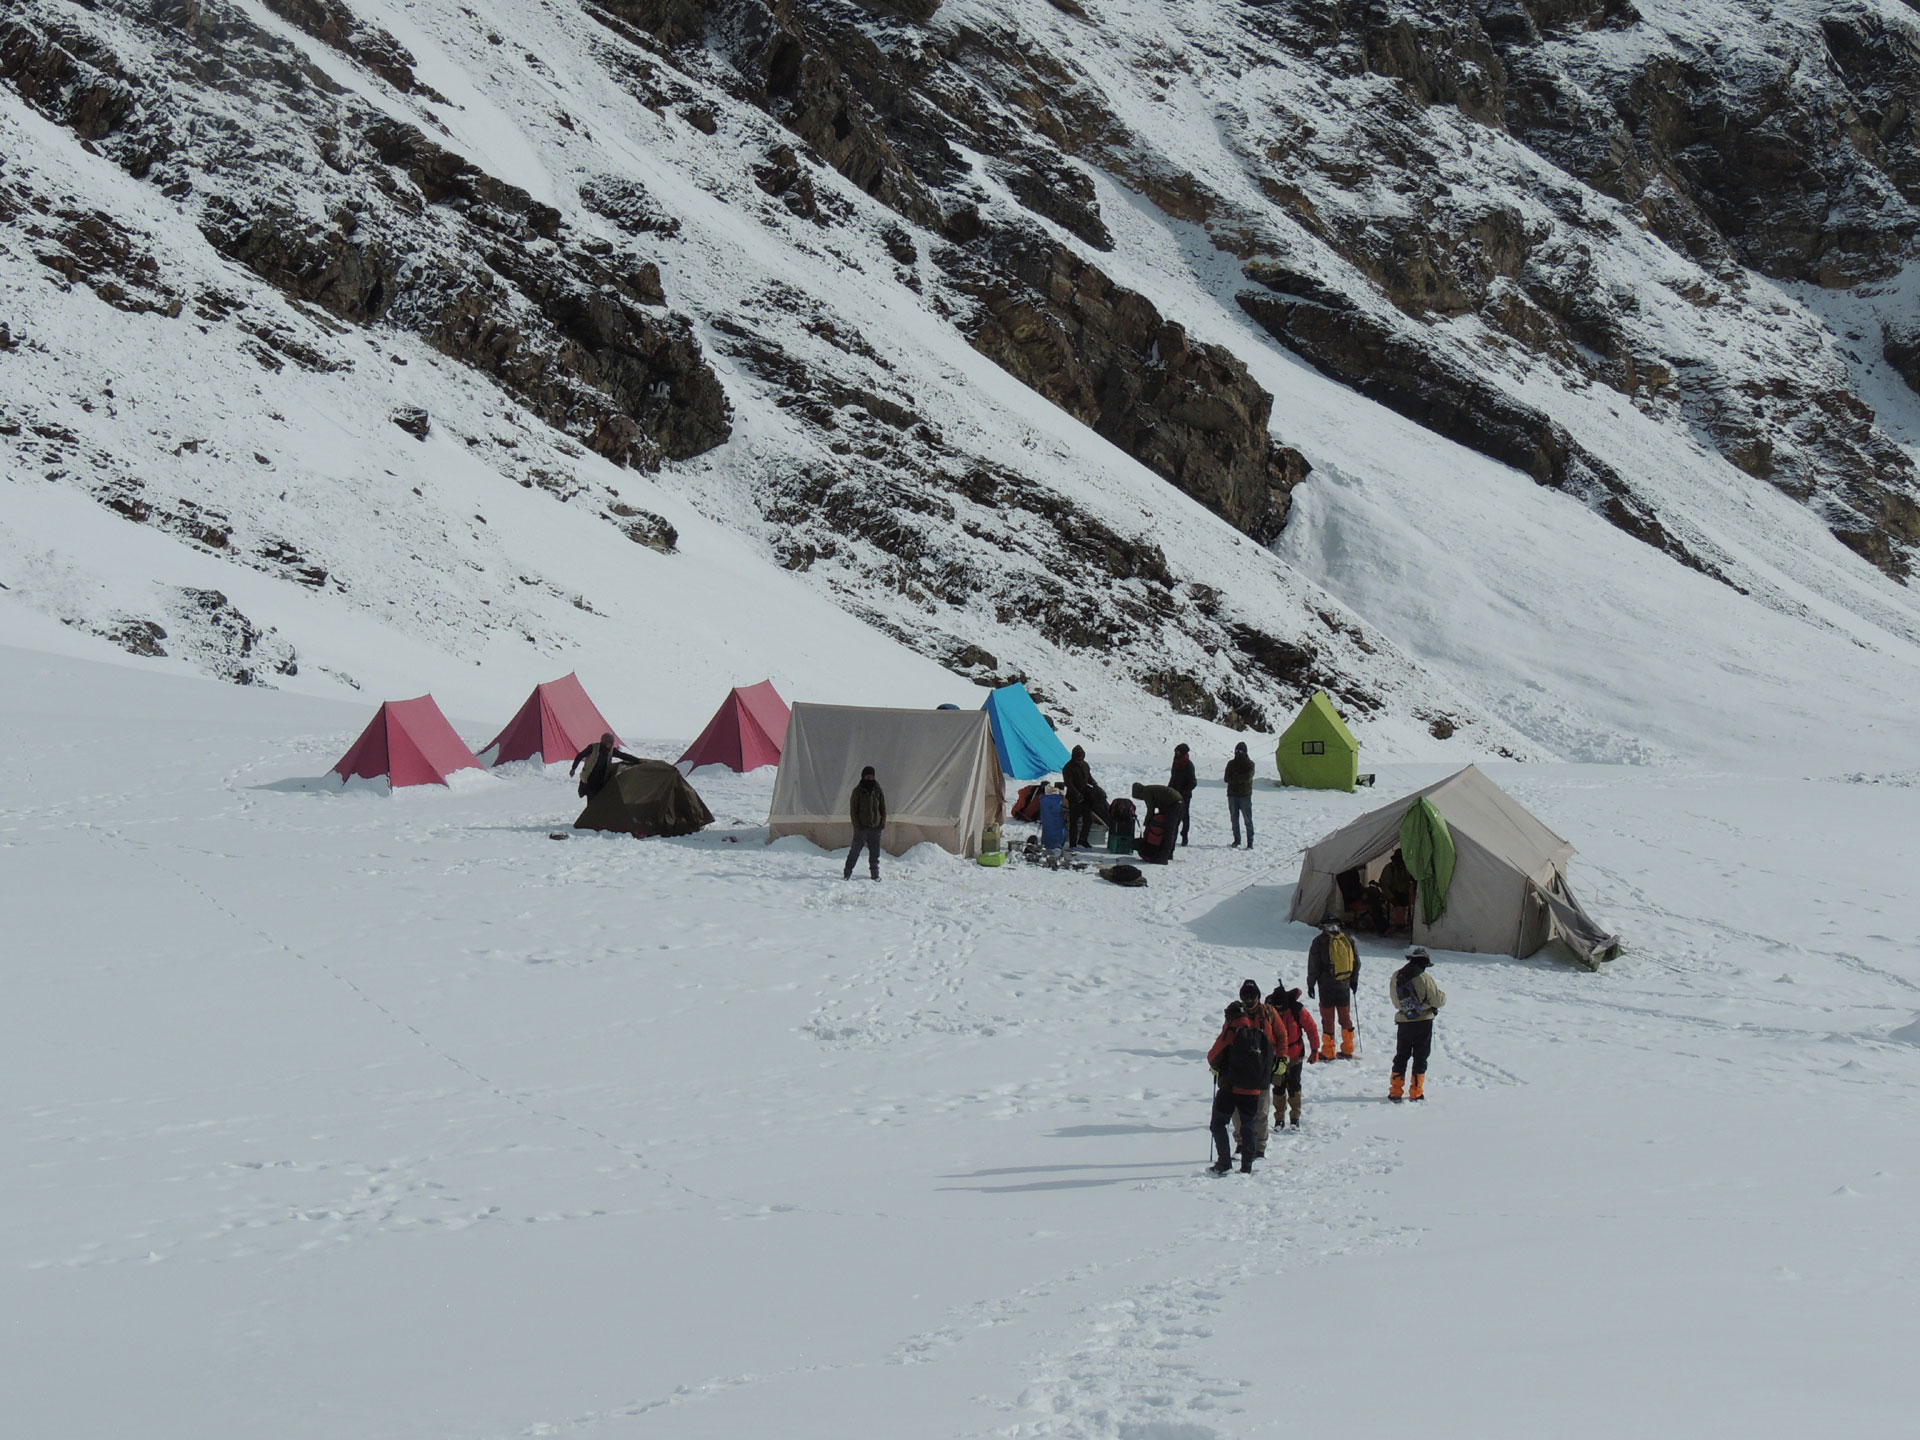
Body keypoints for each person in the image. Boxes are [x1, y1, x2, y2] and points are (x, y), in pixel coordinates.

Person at [1206, 999, 1272, 1174]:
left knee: (1218, 1124)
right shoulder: (1258, 1034)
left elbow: (1213, 1056)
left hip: (1230, 1088)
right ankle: (1247, 1165)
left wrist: (1217, 1067)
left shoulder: (1231, 1031)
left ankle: (1224, 1162)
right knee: (1249, 1126)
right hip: (1253, 1090)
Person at [1230, 979, 1285, 1158]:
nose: (1249, 1000)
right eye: (1246, 996)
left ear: (1259, 996)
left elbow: (1282, 1034)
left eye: (1252, 996)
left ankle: (1259, 1147)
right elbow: (1226, 1037)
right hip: (1241, 1069)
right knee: (1237, 1111)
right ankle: (1241, 1144)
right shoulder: (1236, 1014)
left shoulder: (1269, 1012)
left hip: (1263, 1068)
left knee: (1261, 1110)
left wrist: (1282, 1058)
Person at [1389, 946, 1446, 1101]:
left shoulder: (1396, 976)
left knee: (1401, 1055)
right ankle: (1416, 1092)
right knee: (1420, 1057)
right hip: (1423, 1022)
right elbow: (1437, 1000)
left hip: (1404, 1021)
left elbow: (1395, 1001)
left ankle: (1395, 1091)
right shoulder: (1424, 978)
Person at [1264, 981, 1321, 1129]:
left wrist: (1315, 1050)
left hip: (1296, 1055)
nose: (1280, 1013)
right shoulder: (1268, 1012)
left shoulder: (1297, 1010)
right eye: (1278, 1010)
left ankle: (1295, 1118)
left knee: (1294, 1086)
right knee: (1278, 1087)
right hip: (1276, 1057)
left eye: (1282, 1010)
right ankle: (1279, 1119)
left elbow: (1311, 1028)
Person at [1307, 922, 1361, 1060]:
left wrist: (1311, 983)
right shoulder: (1347, 940)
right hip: (1344, 985)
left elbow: (1314, 964)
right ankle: (1348, 1049)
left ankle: (1328, 1052)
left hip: (1326, 986)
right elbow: (1357, 962)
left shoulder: (1319, 941)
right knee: (1345, 1018)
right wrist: (1353, 980)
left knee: (1328, 1019)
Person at [844, 765, 886, 881]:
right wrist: (857, 826)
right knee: (854, 852)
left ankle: (875, 874)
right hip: (861, 828)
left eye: (872, 776)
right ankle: (847, 873)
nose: (870, 779)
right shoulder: (857, 791)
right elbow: (853, 810)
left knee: (875, 854)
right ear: (863, 777)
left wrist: (881, 823)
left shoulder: (877, 790)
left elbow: (882, 808)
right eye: (867, 776)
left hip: (875, 828)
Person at [570, 732, 642, 799]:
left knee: (596, 801)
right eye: (610, 743)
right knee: (591, 800)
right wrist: (573, 768)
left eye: (612, 743)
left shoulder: (611, 751)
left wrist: (637, 760)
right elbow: (580, 756)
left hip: (600, 781)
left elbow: (622, 755)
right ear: (604, 742)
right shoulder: (593, 748)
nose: (611, 745)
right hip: (589, 780)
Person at [1129, 781, 1184, 863]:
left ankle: (1163, 857)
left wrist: (1147, 823)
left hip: (1173, 805)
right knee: (1173, 830)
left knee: (1169, 831)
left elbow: (1150, 810)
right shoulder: (1150, 789)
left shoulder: (1146, 792)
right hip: (1180, 803)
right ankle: (1169, 854)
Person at [1062, 746, 1096, 849]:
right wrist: (1077, 794)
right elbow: (1069, 783)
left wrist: (1094, 784)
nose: (1080, 759)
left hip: (1085, 795)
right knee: (1074, 821)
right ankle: (1073, 843)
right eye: (1078, 757)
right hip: (1073, 797)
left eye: (1081, 757)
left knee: (1088, 819)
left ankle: (1083, 839)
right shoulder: (1068, 767)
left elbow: (1088, 777)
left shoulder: (1085, 765)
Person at [1224, 741, 1255, 847]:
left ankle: (1250, 842)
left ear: (1245, 752)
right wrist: (1238, 778)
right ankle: (1237, 840)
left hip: (1244, 796)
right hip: (1232, 795)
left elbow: (1246, 778)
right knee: (1234, 819)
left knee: (1247, 820)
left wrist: (1235, 777)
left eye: (1240, 751)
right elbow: (1226, 778)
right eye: (1236, 751)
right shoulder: (1231, 763)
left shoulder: (1250, 764)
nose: (1238, 753)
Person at [1169, 743, 1197, 846]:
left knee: (1184, 816)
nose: (1176, 754)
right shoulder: (1175, 762)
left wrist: (1183, 791)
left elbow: (1193, 783)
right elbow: (1173, 777)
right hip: (1173, 793)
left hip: (1185, 796)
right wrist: (1169, 789)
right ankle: (1172, 835)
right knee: (1173, 816)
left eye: (1178, 752)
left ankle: (1184, 836)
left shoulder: (1189, 765)